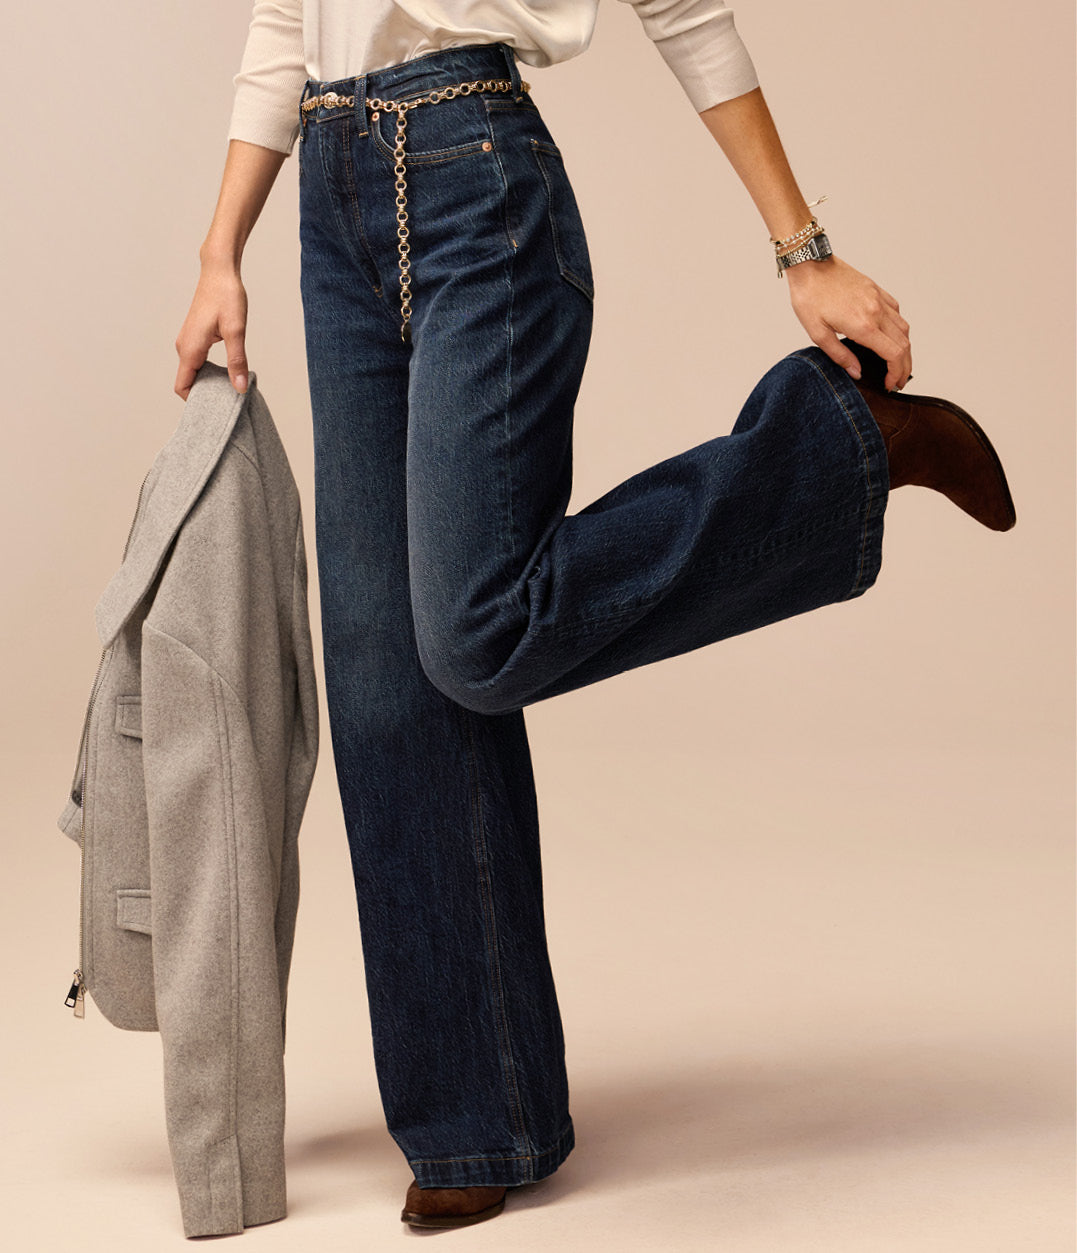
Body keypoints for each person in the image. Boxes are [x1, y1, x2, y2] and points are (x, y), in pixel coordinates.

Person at [174, 1, 1016, 1231]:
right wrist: (219, 249)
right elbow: (285, 16)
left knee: (471, 628)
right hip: (331, 188)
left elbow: (685, 7)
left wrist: (803, 248)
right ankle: (477, 1109)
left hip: (479, 181)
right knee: (381, 673)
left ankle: (845, 448)